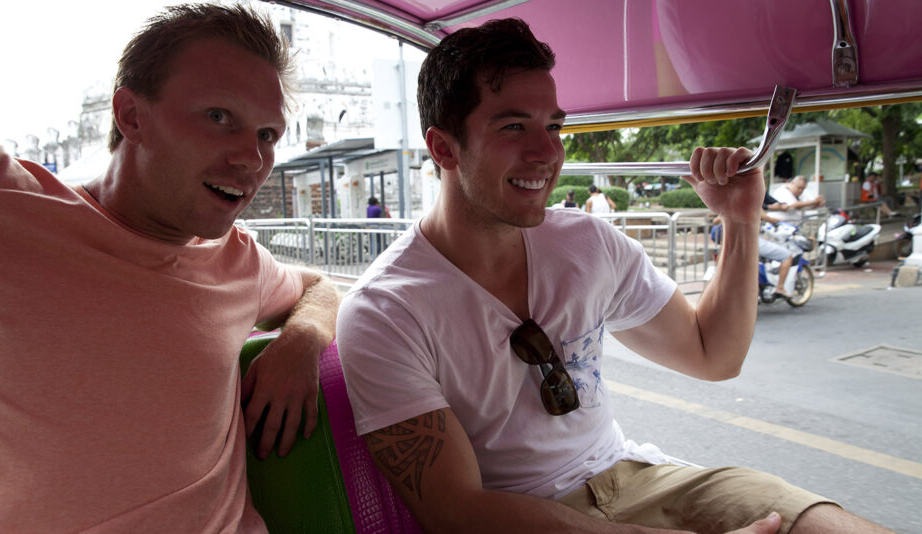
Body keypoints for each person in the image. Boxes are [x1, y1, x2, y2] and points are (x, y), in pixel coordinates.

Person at [336, 18, 891, 534]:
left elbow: (712, 355)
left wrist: (739, 220)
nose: (547, 152)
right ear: (443, 148)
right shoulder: (386, 311)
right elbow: (459, 511)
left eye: (554, 125)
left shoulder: (586, 243)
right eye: (513, 127)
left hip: (638, 476)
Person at [0, 4, 339, 532]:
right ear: (131, 116)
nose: (252, 159)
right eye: (219, 117)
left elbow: (319, 285)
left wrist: (303, 338)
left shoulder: (241, 262)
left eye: (267, 134)